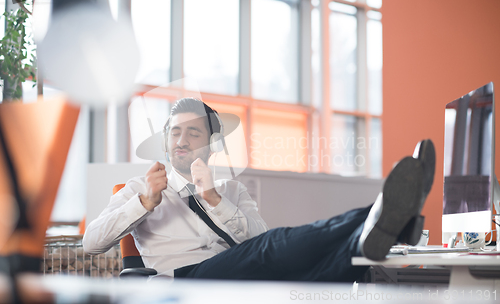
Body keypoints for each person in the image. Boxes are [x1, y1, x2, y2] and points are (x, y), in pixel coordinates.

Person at [83, 98, 435, 282]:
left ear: (212, 144)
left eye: (194, 133)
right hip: (183, 282)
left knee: (324, 274)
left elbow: (259, 240)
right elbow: (91, 243)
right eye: (175, 132)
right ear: (165, 141)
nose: (182, 140)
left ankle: (384, 226)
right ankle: (386, 211)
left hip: (238, 273)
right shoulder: (140, 189)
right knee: (270, 248)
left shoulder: (231, 190)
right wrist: (144, 203)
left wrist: (215, 200)